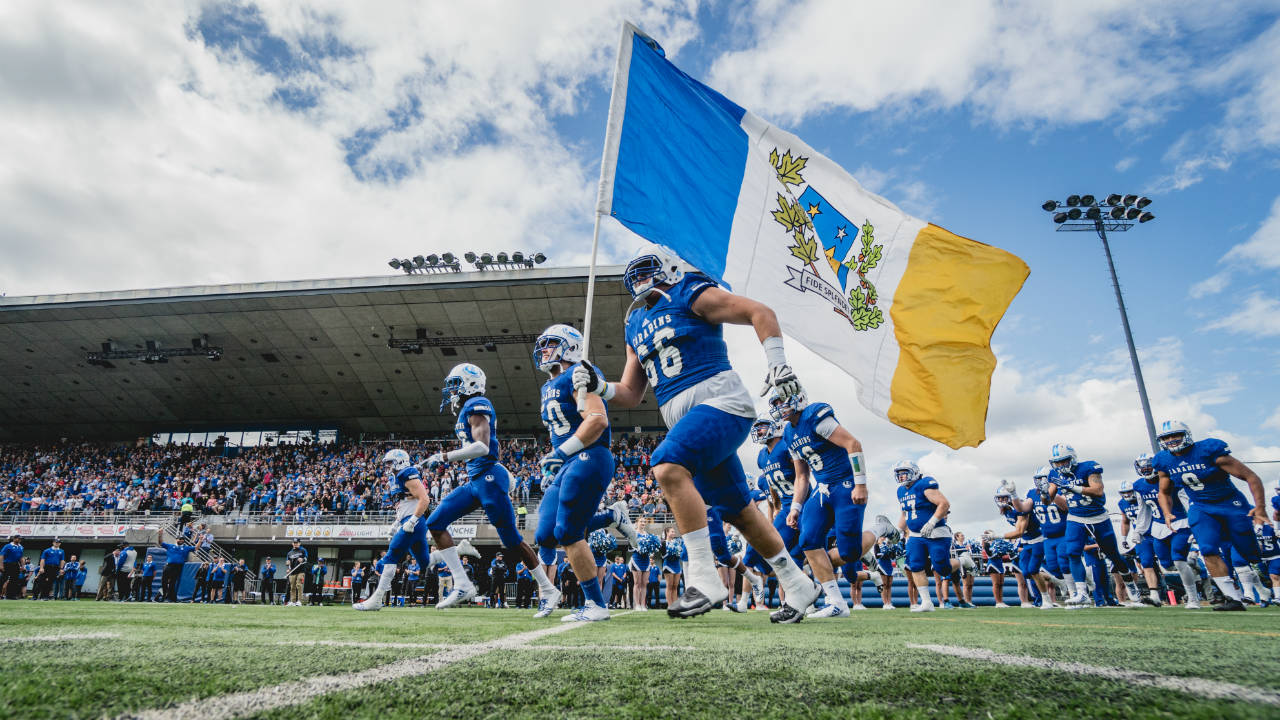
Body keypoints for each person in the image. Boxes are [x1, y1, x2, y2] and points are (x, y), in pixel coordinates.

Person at [572, 243, 818, 620]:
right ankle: (800, 585)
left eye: (646, 269)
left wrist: (778, 365)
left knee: (667, 465)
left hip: (721, 402)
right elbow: (631, 393)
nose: (639, 279)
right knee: (740, 512)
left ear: (669, 268)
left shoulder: (689, 291)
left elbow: (759, 311)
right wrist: (598, 385)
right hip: (688, 417)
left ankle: (703, 578)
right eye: (633, 274)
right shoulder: (634, 324)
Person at [424, 364, 551, 610]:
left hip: (489, 478)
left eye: (457, 383)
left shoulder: (477, 404)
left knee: (513, 541)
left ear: (471, 383)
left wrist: (444, 457)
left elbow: (482, 447)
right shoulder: (466, 410)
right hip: (476, 481)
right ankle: (462, 583)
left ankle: (547, 588)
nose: (453, 389)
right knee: (435, 523)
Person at [530, 324, 630, 622]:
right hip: (568, 462)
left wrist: (561, 453)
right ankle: (612, 517)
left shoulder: (578, 373)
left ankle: (596, 604)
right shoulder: (548, 385)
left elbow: (597, 419)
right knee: (545, 534)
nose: (544, 349)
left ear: (569, 347)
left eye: (551, 344)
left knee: (569, 531)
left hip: (589, 454)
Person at [774, 389, 898, 620]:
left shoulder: (814, 416)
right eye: (776, 403)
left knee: (850, 553)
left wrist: (860, 484)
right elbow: (802, 476)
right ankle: (836, 602)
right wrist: (795, 507)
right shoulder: (789, 435)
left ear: (797, 398)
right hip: (822, 490)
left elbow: (853, 443)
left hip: (846, 484)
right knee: (807, 540)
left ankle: (881, 528)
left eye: (782, 401)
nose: (779, 406)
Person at [1152, 420, 1268, 611]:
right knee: (1207, 549)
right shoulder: (1163, 460)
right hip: (1200, 506)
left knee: (1250, 553)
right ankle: (1232, 598)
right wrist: (1166, 513)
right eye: (1166, 437)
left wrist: (1260, 507)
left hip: (1230, 504)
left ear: (1186, 435)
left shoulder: (1208, 450)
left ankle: (1261, 575)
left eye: (1175, 435)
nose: (1171, 440)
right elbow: (1163, 491)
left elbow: (1251, 476)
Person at [1046, 443, 1143, 608]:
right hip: (1076, 516)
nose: (1061, 465)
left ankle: (1132, 587)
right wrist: (1044, 491)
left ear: (1072, 458)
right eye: (1058, 462)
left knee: (1114, 556)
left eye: (1064, 461)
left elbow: (1097, 490)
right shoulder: (1054, 474)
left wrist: (1072, 486)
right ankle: (1081, 593)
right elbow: (1047, 499)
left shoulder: (1088, 467)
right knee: (1072, 553)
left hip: (1098, 517)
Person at [353, 448, 435, 611]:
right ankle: (457, 550)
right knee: (425, 561)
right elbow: (403, 504)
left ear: (400, 461)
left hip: (414, 522)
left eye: (390, 462)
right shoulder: (397, 478)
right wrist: (397, 523)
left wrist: (412, 521)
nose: (388, 466)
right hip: (409, 521)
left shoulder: (406, 473)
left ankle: (376, 599)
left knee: (390, 557)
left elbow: (424, 499)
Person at [1132, 452, 1201, 608]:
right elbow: (1144, 510)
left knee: (1178, 559)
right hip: (1158, 527)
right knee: (1167, 564)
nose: (1145, 470)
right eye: (1142, 467)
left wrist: (1194, 526)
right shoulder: (1139, 486)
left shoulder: (1171, 480)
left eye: (1148, 466)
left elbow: (1187, 502)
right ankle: (1191, 563)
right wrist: (1139, 530)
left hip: (1179, 523)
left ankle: (1193, 598)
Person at [895, 460, 963, 613]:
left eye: (903, 473)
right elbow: (905, 513)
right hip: (915, 535)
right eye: (898, 474)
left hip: (937, 533)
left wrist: (932, 522)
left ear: (914, 472)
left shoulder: (924, 484)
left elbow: (944, 504)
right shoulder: (901, 491)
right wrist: (898, 530)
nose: (900, 477)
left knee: (942, 568)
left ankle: (960, 562)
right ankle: (926, 602)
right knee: (915, 565)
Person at [995, 481, 1048, 609]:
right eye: (999, 498)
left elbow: (1019, 532)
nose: (1001, 500)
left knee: (1033, 570)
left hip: (1037, 539)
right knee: (1026, 572)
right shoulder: (1006, 511)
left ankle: (1046, 599)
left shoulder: (1020, 508)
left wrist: (997, 536)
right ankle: (1054, 579)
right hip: (1026, 542)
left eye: (1004, 497)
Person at [158, 530, 196, 603]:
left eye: (182, 539)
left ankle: (170, 598)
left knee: (172, 582)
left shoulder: (185, 548)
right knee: (164, 581)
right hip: (168, 565)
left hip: (177, 567)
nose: (181, 540)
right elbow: (161, 543)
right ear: (176, 539)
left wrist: (200, 540)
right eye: (180, 539)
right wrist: (160, 535)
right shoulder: (170, 546)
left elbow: (196, 548)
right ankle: (164, 596)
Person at [286, 539, 308, 607]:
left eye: (297, 543)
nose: (295, 544)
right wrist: (288, 566)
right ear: (292, 543)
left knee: (299, 585)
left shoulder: (303, 550)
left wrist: (303, 559)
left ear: (299, 543)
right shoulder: (289, 553)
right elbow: (288, 562)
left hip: (301, 571)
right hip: (292, 571)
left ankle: (299, 601)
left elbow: (306, 558)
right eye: (294, 543)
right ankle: (293, 601)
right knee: (292, 587)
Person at [1, 535, 23, 599]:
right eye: (18, 539)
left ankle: (10, 596)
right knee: (3, 579)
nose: (20, 540)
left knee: (14, 580)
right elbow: (1, 556)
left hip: (15, 565)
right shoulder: (7, 546)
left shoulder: (21, 547)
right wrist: (1, 565)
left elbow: (21, 557)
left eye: (20, 539)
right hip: (7, 564)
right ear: (14, 539)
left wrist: (22, 566)